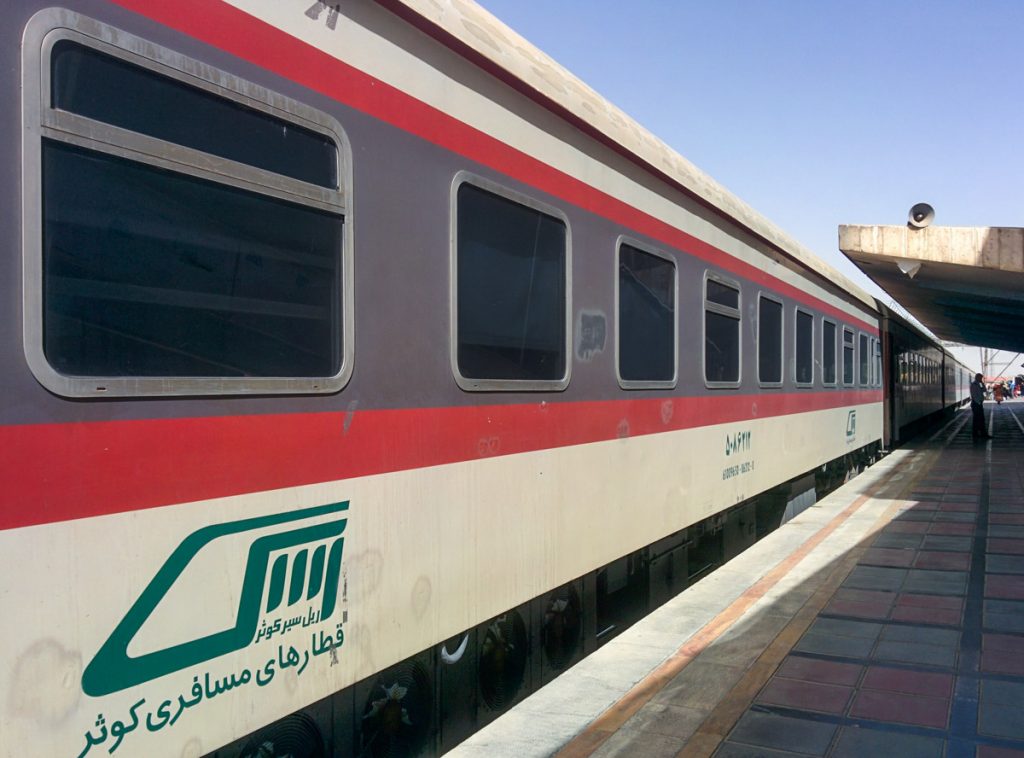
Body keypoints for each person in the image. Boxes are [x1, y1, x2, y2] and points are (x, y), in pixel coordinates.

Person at [971, 373, 989, 439]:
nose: (981, 379)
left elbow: (984, 390)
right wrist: (978, 402)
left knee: (981, 419)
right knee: (976, 419)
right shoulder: (974, 384)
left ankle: (982, 433)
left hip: (979, 403)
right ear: (977, 377)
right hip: (976, 404)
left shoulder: (980, 384)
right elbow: (974, 395)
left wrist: (982, 383)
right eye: (980, 378)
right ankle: (976, 433)